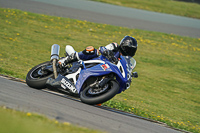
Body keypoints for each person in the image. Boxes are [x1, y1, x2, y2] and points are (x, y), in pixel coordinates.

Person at [58, 35, 137, 67]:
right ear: (123, 45)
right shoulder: (115, 46)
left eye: (132, 50)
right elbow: (103, 48)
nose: (129, 51)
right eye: (128, 49)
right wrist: (106, 52)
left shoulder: (128, 61)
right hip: (98, 62)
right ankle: (66, 60)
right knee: (93, 51)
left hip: (108, 69)